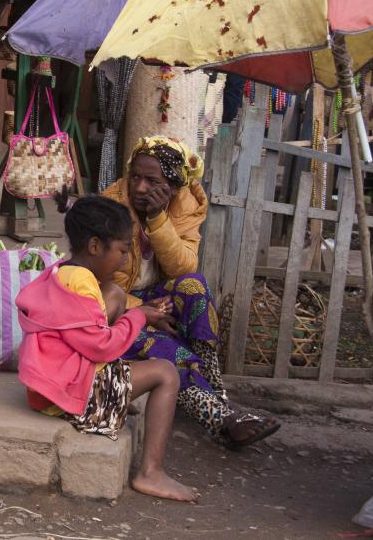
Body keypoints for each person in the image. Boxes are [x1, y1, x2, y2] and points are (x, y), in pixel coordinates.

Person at [17, 193, 197, 502]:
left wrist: (137, 312)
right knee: (166, 373)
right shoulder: (83, 284)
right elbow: (101, 347)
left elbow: (93, 321)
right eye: (123, 250)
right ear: (95, 246)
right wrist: (139, 317)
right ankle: (150, 472)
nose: (126, 259)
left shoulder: (62, 271)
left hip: (50, 385)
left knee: (114, 294)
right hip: (72, 397)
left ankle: (117, 393)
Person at [103, 136, 280, 449]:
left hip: (159, 293)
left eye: (152, 181)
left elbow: (183, 269)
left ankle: (215, 394)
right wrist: (143, 313)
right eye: (136, 177)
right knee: (156, 343)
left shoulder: (187, 203)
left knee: (195, 286)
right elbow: (100, 281)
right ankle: (220, 419)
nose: (141, 188)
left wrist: (158, 219)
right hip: (118, 303)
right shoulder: (111, 205)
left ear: (173, 186)